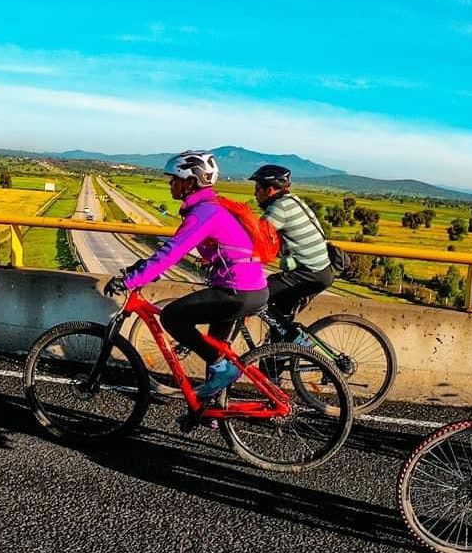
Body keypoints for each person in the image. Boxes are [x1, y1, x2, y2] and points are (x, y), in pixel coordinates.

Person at [104, 151, 269, 399]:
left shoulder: (203, 213)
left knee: (172, 318)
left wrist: (130, 280)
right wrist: (145, 267)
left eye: (174, 179)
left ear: (190, 181)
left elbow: (171, 253)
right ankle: (210, 411)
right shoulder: (212, 207)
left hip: (236, 291)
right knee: (216, 351)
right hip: (249, 288)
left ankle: (221, 373)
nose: (170, 183)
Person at [248, 164, 332, 340]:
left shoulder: (279, 207)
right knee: (280, 318)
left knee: (255, 292)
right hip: (316, 272)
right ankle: (275, 357)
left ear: (270, 189)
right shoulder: (291, 200)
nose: (255, 194)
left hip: (308, 274)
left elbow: (256, 238)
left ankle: (298, 341)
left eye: (257, 189)